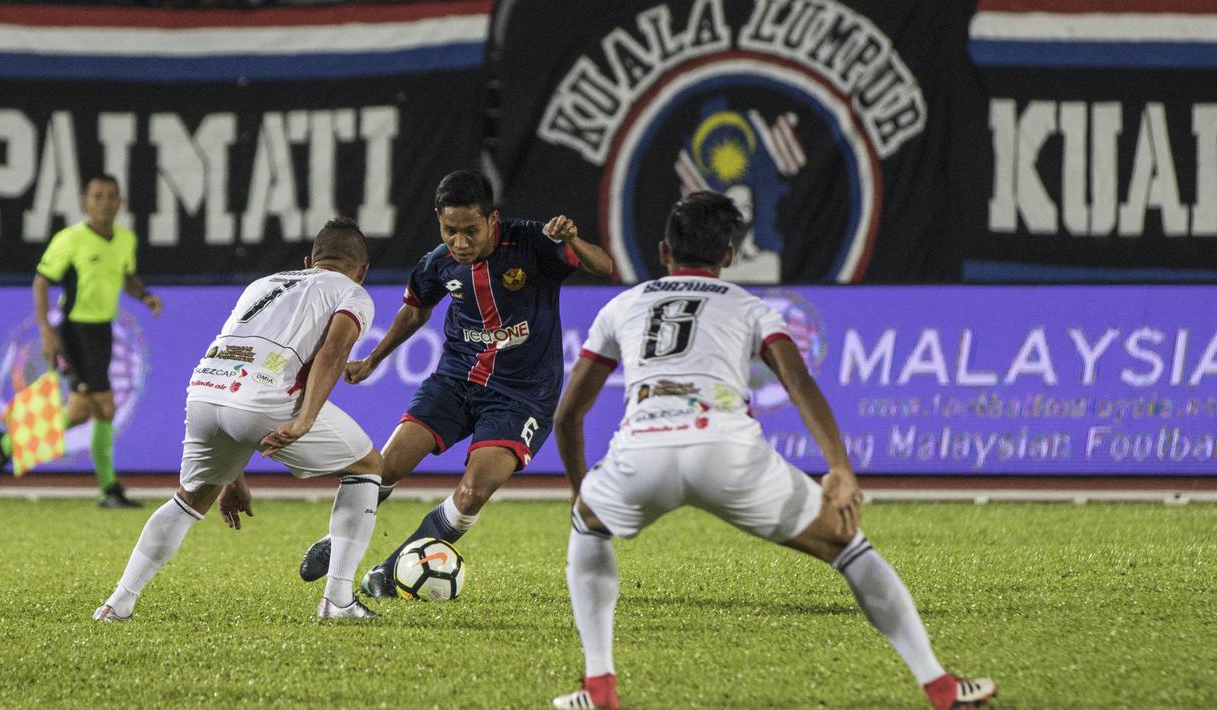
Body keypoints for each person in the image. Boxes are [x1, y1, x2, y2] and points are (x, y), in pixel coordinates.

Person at [549, 192, 997, 709]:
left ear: (664, 252)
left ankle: (600, 687)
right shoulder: (749, 306)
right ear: (730, 257)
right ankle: (939, 687)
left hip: (642, 450)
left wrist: (584, 490)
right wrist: (840, 468)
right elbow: (798, 381)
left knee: (588, 526)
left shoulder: (622, 305)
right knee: (848, 546)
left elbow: (567, 416)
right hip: (727, 451)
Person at [296, 168, 613, 597]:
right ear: (438, 222)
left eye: (471, 231)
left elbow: (603, 265)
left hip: (521, 397)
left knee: (471, 493)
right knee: (381, 469)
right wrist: (373, 358)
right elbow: (415, 311)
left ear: (492, 220)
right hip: (454, 382)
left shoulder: (534, 243)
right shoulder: (438, 262)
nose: (460, 243)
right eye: (450, 231)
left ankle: (389, 573)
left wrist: (572, 239)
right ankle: (339, 541)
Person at [94, 217, 385, 621]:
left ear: (308, 261)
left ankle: (118, 602)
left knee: (188, 500)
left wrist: (231, 474)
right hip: (262, 399)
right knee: (367, 466)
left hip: (205, 390)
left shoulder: (262, 285)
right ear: (362, 270)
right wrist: (303, 421)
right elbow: (334, 351)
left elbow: (238, 358)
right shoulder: (352, 292)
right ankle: (337, 600)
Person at [0, 175, 162, 504]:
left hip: (102, 332)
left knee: (82, 411)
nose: (105, 202)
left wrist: (145, 295)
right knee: (106, 407)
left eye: (112, 196)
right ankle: (109, 489)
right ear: (85, 202)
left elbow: (126, 276)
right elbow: (41, 282)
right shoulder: (70, 240)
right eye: (98, 196)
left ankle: (5, 444)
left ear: (120, 203)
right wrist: (45, 330)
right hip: (75, 332)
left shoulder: (125, 239)